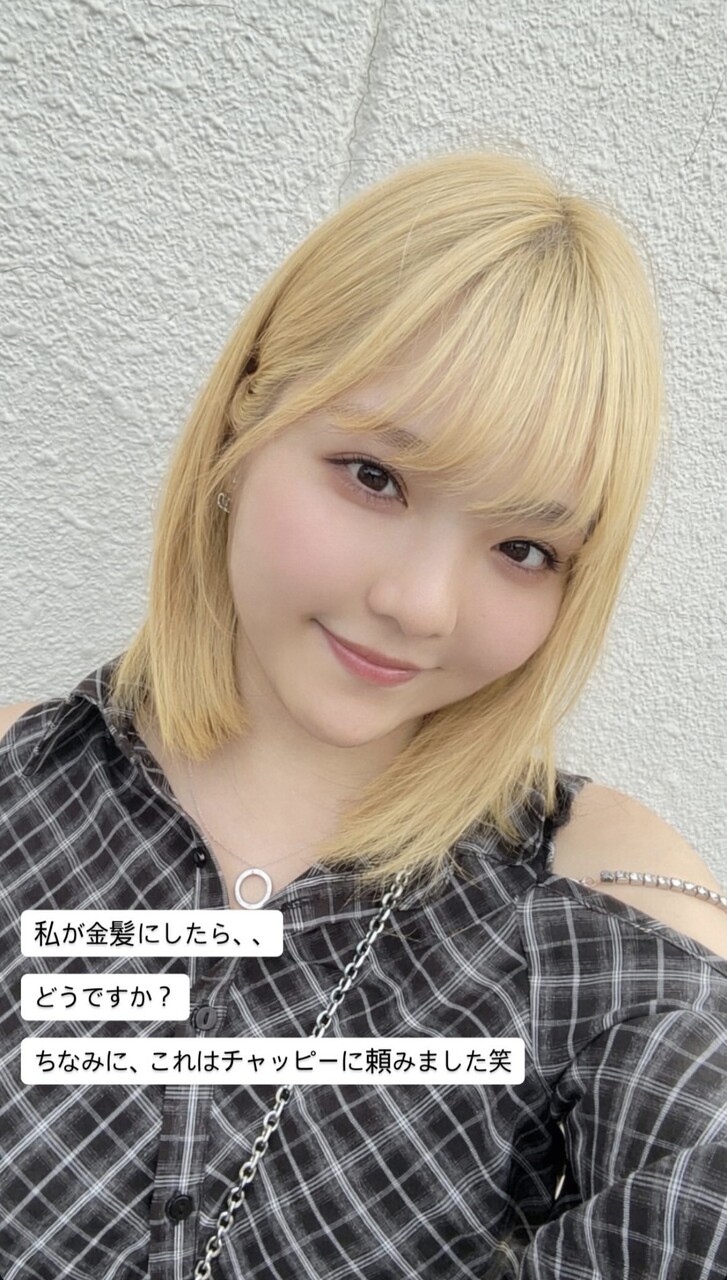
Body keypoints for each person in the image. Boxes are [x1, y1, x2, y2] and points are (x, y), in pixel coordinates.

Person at [0, 149, 725, 1280]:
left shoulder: (605, 906)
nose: (419, 605)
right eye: (373, 476)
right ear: (244, 422)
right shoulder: (19, 788)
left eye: (522, 546)